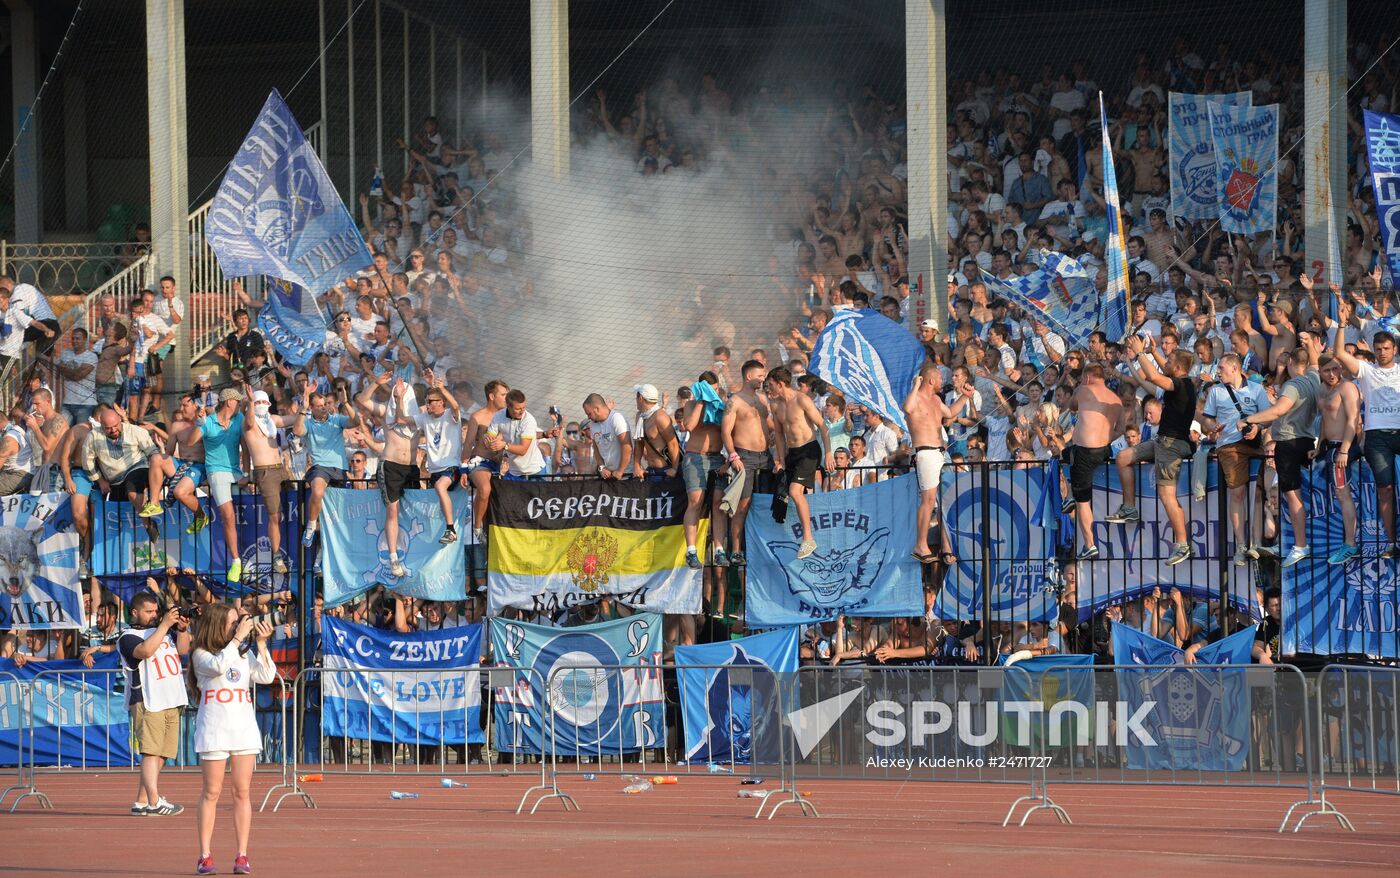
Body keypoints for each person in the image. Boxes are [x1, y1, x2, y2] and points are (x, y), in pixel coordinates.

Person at [188, 604, 277, 875]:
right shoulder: (201, 655)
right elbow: (217, 667)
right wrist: (238, 638)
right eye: (232, 622)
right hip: (215, 730)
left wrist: (261, 645)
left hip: (242, 729)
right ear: (217, 624)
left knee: (242, 792)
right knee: (212, 792)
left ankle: (242, 854)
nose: (237, 626)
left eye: (237, 622)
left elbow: (266, 676)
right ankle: (205, 854)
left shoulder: (242, 653)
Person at [1110, 335, 1196, 566]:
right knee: (1123, 456)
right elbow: (1146, 381)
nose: (1163, 362)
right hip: (1160, 441)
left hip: (1171, 445)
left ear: (1177, 368)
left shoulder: (1182, 384)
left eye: (1168, 361)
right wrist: (1133, 361)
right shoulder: (1173, 385)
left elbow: (1156, 376)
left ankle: (1182, 543)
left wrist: (1142, 354)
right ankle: (1129, 508)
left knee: (1167, 496)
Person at [1330, 298, 1400, 556]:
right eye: (1378, 348)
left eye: (1387, 348)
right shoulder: (1367, 370)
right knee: (1385, 489)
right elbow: (1338, 354)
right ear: (1374, 349)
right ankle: (1393, 543)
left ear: (1394, 350)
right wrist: (1341, 323)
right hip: (1377, 436)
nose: (1382, 352)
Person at [1242, 348, 1322, 567]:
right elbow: (1314, 365)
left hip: (1289, 444)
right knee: (1301, 496)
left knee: (1293, 497)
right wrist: (1260, 424)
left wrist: (1249, 419)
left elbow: (1279, 411)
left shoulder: (1293, 385)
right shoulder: (1314, 378)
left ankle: (1299, 545)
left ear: (1290, 362)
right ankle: (1291, 542)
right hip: (1307, 440)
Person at [117, 591, 190, 817]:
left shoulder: (163, 632)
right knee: (150, 752)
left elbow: (183, 650)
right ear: (135, 612)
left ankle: (141, 801)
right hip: (148, 700)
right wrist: (164, 625)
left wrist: (182, 629)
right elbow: (146, 651)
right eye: (149, 612)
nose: (154, 615)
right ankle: (154, 801)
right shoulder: (127, 637)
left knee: (162, 754)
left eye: (155, 611)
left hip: (171, 698)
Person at [1200, 353, 1271, 565]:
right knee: (1238, 493)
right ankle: (1241, 545)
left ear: (1235, 368)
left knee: (1258, 493)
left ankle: (1256, 543)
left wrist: (1257, 427)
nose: (1218, 371)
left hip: (1254, 444)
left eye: (1221, 368)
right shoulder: (1215, 391)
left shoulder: (1256, 389)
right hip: (1229, 445)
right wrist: (1212, 427)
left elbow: (1268, 416)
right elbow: (1206, 419)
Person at [766, 366, 833, 559]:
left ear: (780, 384)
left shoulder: (801, 399)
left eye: (771, 385)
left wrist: (828, 453)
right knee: (786, 494)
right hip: (792, 453)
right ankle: (799, 534)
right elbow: (779, 433)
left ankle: (808, 538)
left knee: (795, 491)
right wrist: (780, 459)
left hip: (809, 449)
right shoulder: (775, 405)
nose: (769, 389)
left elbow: (821, 425)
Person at [357, 374, 420, 576]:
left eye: (403, 392)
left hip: (410, 467)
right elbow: (362, 401)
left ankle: (417, 554)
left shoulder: (419, 415)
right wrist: (377, 383)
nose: (399, 394)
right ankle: (393, 557)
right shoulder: (386, 412)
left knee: (416, 511)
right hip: (390, 465)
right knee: (392, 511)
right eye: (396, 392)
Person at [1066, 364, 1125, 559]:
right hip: (1103, 449)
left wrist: (1078, 388)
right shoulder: (1116, 399)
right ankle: (1069, 496)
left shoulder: (1084, 389)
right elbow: (1121, 429)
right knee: (1064, 455)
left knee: (1083, 501)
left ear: (1088, 377)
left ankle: (1089, 544)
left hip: (1085, 450)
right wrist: (1104, 437)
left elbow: (1072, 406)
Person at [719, 360, 773, 568]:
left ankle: (763, 547)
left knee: (765, 503)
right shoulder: (735, 401)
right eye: (760, 375)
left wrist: (774, 435)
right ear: (748, 376)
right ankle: (736, 550)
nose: (763, 378)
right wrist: (733, 456)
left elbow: (769, 424)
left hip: (765, 456)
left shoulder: (761, 399)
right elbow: (725, 431)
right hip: (745, 457)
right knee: (742, 506)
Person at [294, 384, 361, 547]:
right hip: (319, 467)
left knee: (335, 517)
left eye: (325, 405)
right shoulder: (308, 423)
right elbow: (296, 431)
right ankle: (310, 527)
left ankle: (324, 557)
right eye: (319, 406)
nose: (324, 408)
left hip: (339, 468)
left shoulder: (337, 419)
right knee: (317, 492)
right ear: (312, 408)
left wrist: (345, 403)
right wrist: (303, 409)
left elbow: (356, 421)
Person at [903, 363, 951, 563]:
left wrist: (966, 396)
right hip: (926, 452)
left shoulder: (936, 400)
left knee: (943, 499)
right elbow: (907, 408)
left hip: (940, 452)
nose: (942, 381)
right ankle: (920, 544)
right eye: (940, 378)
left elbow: (949, 414)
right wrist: (916, 385)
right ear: (931, 380)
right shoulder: (916, 399)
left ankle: (947, 545)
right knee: (928, 500)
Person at [201, 387, 249, 583]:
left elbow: (245, 449)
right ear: (230, 402)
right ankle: (236, 561)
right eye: (238, 401)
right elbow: (195, 436)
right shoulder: (208, 420)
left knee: (252, 506)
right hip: (216, 471)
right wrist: (199, 422)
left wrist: (247, 474)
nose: (240, 404)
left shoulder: (239, 419)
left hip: (235, 471)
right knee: (228, 516)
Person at [1315, 355, 1360, 564]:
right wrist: (1318, 447)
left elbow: (1353, 420)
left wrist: (1345, 450)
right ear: (1320, 372)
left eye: (1335, 369)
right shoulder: (1323, 390)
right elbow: (1325, 419)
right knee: (1339, 495)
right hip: (1330, 447)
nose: (1332, 374)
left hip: (1344, 446)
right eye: (1327, 371)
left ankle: (1350, 543)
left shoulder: (1347, 388)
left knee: (1343, 495)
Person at [243, 390, 291, 574]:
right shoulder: (248, 423)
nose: (262, 404)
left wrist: (305, 402)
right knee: (274, 516)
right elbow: (248, 421)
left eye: (265, 401)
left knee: (296, 505)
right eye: (258, 401)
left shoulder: (272, 421)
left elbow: (292, 419)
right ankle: (276, 555)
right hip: (265, 472)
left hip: (281, 468)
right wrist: (249, 402)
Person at [414, 371, 464, 544]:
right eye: (426, 401)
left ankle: (451, 529)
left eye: (431, 401)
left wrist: (441, 388)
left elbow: (456, 406)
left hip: (451, 466)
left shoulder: (450, 415)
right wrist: (398, 399)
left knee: (440, 486)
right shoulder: (424, 418)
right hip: (434, 469)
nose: (427, 404)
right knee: (437, 493)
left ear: (441, 402)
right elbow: (402, 420)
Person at [464, 380, 508, 543]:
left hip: (499, 464)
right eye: (503, 395)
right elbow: (468, 443)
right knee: (485, 488)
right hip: (480, 462)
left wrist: (546, 434)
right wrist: (463, 468)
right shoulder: (478, 416)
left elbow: (526, 434)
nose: (506, 398)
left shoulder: (508, 416)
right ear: (491, 396)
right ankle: (477, 527)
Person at [486, 389, 546, 480]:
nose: (522, 411)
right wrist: (488, 440)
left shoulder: (529, 420)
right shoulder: (498, 416)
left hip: (534, 471)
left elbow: (523, 450)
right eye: (518, 409)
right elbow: (490, 436)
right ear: (508, 406)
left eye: (524, 407)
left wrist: (504, 445)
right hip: (513, 472)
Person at [632, 383, 679, 482]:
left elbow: (673, 443)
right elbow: (639, 443)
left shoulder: (660, 417)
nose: (635, 400)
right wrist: (636, 465)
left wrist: (674, 469)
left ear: (640, 398)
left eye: (636, 397)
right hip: (651, 471)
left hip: (666, 471)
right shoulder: (639, 416)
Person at [582, 393, 632, 479]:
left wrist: (620, 470)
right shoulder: (593, 424)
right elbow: (596, 448)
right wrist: (602, 467)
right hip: (608, 477)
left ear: (597, 409)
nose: (588, 417)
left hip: (626, 476)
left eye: (589, 414)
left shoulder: (616, 418)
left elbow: (627, 446)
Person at [56, 327, 98, 425]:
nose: (74, 341)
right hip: (67, 402)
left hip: (86, 404)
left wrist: (64, 369)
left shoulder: (91, 356)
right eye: (73, 338)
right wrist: (68, 370)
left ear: (85, 340)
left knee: (81, 434)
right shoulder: (65, 354)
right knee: (60, 432)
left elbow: (78, 376)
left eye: (78, 338)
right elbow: (58, 373)